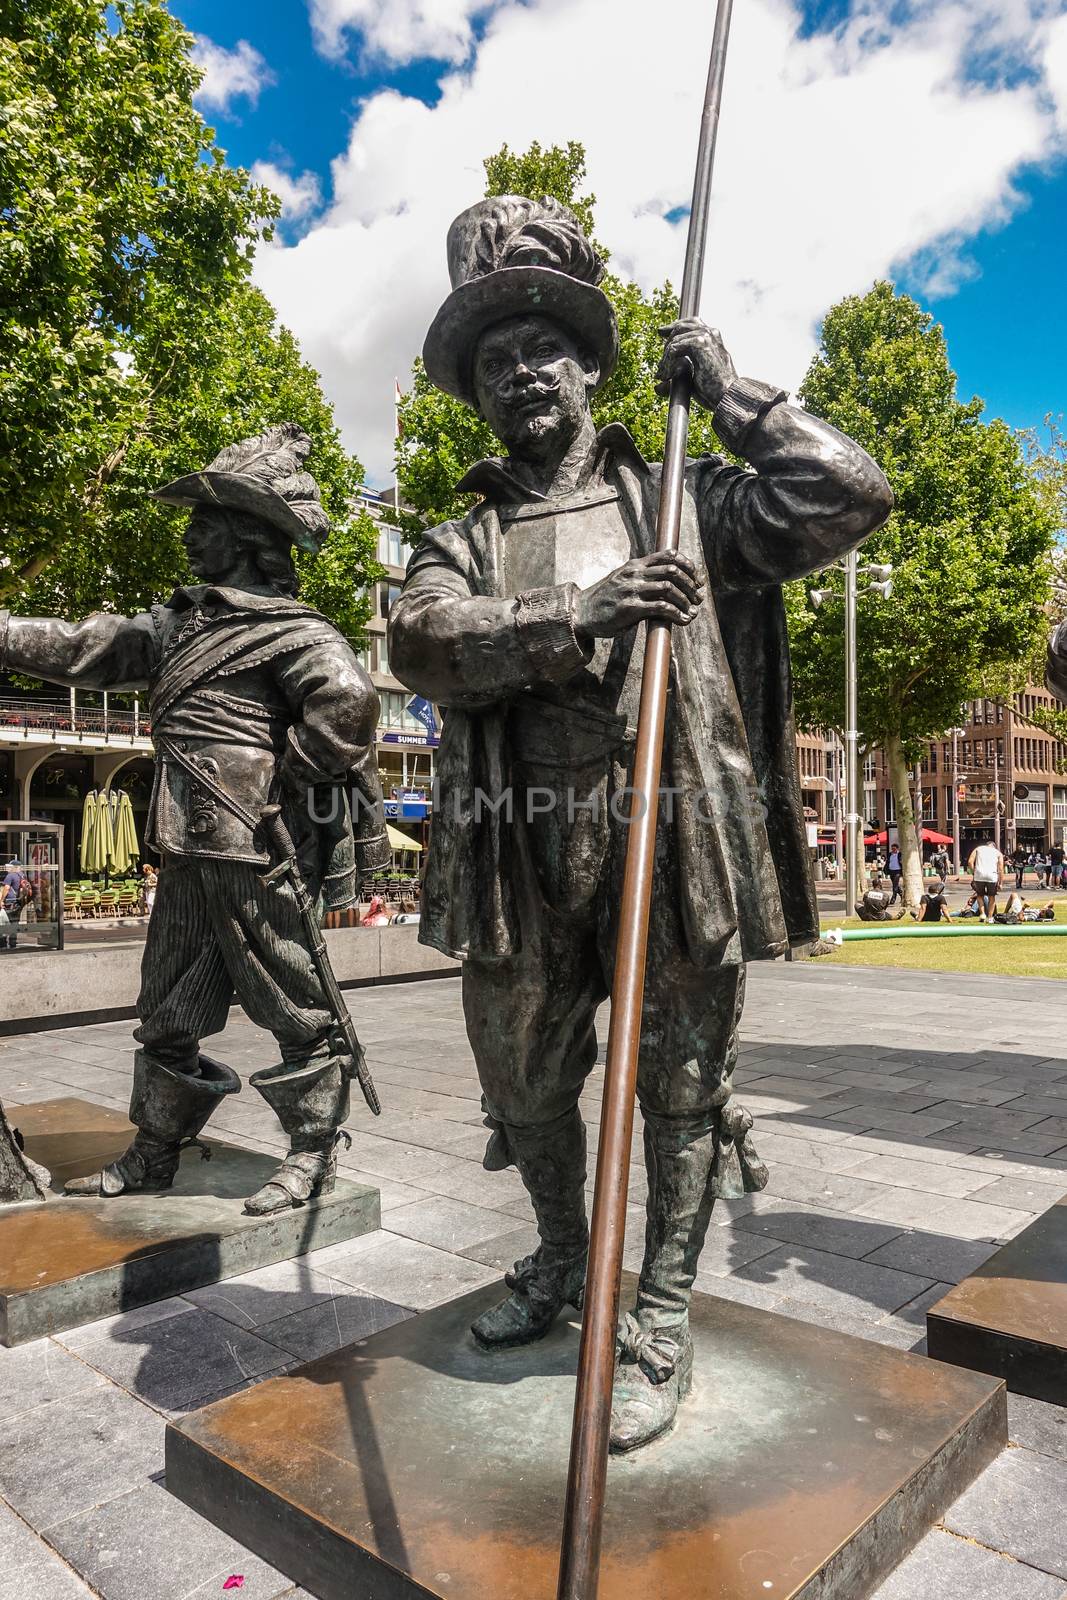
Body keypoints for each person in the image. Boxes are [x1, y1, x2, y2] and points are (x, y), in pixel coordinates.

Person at [389, 194, 892, 1452]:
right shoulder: (461, 532)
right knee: (521, 1084)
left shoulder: (687, 496)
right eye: (494, 361)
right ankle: (563, 1258)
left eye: (540, 348)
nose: (521, 375)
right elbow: (421, 642)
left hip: (672, 836)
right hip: (520, 843)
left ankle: (657, 1307)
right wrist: (585, 610)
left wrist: (733, 398)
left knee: (678, 1087)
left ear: (587, 361)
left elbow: (846, 496)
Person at [0, 423, 388, 1213]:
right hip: (183, 842)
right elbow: (85, 646)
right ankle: (154, 1149)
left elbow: (348, 700)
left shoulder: (293, 630)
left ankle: (312, 1152)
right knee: (167, 1006)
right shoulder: (180, 625)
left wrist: (281, 781)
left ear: (247, 539)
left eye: (204, 524)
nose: (189, 535)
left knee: (294, 1002)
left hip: (255, 847)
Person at [967, 836, 1004, 923]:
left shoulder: (978, 849)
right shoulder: (998, 853)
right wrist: (1001, 882)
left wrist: (974, 872)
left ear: (986, 845)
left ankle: (982, 914)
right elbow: (1001, 869)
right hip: (992, 876)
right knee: (992, 897)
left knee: (980, 895)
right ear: (994, 847)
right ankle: (990, 917)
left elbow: (970, 862)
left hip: (979, 875)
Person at [1, 862, 20, 951]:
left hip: (9, 902)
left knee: (4, 922)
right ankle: (13, 943)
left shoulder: (10, 876)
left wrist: (1, 900)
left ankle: (2, 943)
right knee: (14, 922)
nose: (7, 868)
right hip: (18, 902)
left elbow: (6, 888)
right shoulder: (22, 875)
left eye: (9, 867)